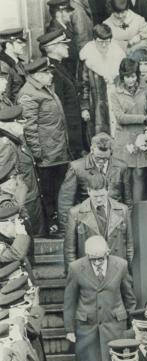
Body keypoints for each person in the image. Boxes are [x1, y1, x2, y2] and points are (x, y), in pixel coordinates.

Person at [64, 235, 137, 361]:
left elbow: (129, 297)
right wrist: (69, 329)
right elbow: (70, 301)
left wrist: (132, 323)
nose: (97, 263)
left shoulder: (121, 265)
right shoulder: (76, 268)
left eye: (100, 259)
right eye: (93, 259)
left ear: (107, 253)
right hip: (88, 328)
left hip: (114, 326)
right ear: (87, 255)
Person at [17, 57, 71, 237]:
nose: (51, 76)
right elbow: (29, 127)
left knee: (58, 191)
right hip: (47, 156)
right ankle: (52, 227)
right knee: (48, 193)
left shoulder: (43, 89)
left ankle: (58, 225)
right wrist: (38, 153)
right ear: (38, 75)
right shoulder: (29, 94)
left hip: (56, 151)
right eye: (48, 73)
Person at [58, 132, 132, 228]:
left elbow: (128, 202)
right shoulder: (77, 167)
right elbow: (65, 202)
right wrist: (67, 229)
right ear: (91, 150)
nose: (101, 161)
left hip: (115, 223)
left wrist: (126, 224)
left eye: (105, 159)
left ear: (111, 151)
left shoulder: (122, 167)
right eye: (98, 158)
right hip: (87, 222)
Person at [64, 174, 133, 271]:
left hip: (117, 270)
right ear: (88, 191)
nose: (99, 199)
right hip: (89, 270)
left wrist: (129, 273)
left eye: (102, 195)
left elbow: (129, 246)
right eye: (95, 196)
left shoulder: (122, 210)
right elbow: (70, 251)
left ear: (108, 190)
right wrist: (74, 276)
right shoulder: (76, 213)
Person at [38, 29, 85, 160]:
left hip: (72, 128)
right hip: (66, 132)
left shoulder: (59, 66)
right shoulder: (51, 71)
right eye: (63, 44)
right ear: (52, 48)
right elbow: (57, 105)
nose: (67, 46)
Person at [111, 58, 147, 202]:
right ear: (122, 76)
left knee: (140, 174)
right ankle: (128, 211)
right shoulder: (115, 93)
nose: (131, 80)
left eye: (133, 76)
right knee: (125, 176)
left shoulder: (146, 88)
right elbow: (120, 117)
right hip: (125, 139)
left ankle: (138, 210)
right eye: (127, 77)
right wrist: (143, 118)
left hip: (142, 138)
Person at [0, 105, 45, 237]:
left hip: (27, 199)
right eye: (21, 123)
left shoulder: (16, 140)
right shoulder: (6, 145)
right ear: (11, 124)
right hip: (16, 201)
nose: (23, 126)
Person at [79, 23, 126, 137]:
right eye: (100, 42)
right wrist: (84, 108)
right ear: (94, 40)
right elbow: (82, 85)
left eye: (107, 41)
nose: (104, 45)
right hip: (96, 101)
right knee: (100, 133)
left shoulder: (118, 54)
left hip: (116, 99)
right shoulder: (87, 58)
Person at [46, 0, 78, 77]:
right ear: (58, 13)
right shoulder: (54, 31)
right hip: (65, 73)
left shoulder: (64, 27)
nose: (71, 13)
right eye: (67, 11)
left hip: (70, 72)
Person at [0, 28, 27, 102]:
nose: (24, 45)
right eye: (19, 43)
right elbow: (5, 98)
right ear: (9, 45)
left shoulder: (16, 61)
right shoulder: (3, 66)